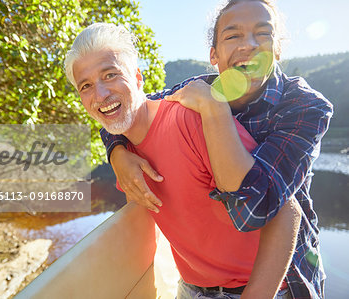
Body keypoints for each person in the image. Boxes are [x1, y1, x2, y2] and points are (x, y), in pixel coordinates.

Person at [97, 0, 333, 298]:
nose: (248, 45)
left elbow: (257, 209)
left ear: (277, 50)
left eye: (263, 34)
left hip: (280, 282)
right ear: (214, 55)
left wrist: (214, 110)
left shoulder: (304, 106)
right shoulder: (196, 88)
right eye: (233, 35)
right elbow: (125, 110)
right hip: (195, 286)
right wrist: (118, 152)